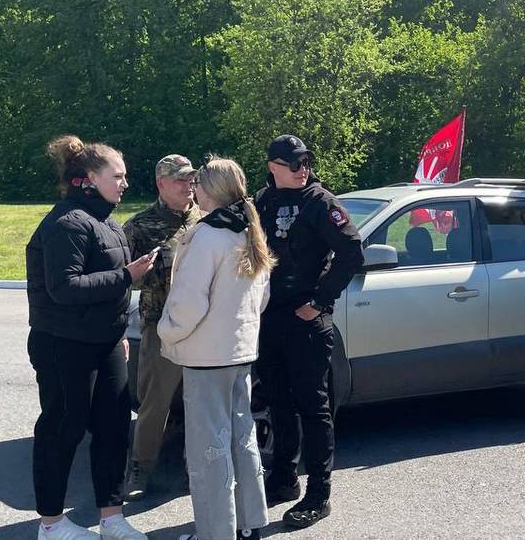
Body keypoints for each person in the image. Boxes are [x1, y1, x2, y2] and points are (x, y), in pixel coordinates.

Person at [25, 135, 154, 540]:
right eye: (117, 176)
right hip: (63, 343)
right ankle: (51, 524)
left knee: (113, 429)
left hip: (106, 342)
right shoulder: (67, 223)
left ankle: (112, 518)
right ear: (90, 178)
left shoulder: (107, 222)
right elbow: (64, 288)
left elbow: (108, 288)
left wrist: (119, 331)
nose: (125, 183)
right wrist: (127, 275)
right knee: (62, 430)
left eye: (125, 176)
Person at [157, 157, 274, 540]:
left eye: (198, 184)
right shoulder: (249, 230)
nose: (194, 190)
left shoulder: (208, 235)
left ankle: (215, 533)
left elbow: (189, 302)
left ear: (211, 190)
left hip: (207, 356)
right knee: (242, 439)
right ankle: (248, 524)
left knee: (208, 449)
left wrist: (167, 331)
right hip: (240, 352)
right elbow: (262, 297)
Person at [254, 135, 363, 529]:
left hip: (306, 321)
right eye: (294, 163)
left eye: (306, 162)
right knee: (278, 403)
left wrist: (320, 300)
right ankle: (283, 478)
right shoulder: (263, 201)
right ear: (274, 167)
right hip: (270, 318)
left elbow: (352, 252)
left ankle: (319, 493)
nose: (303, 169)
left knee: (313, 408)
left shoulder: (320, 202)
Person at [122, 154, 201, 500]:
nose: (188, 185)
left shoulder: (206, 219)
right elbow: (122, 278)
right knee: (155, 403)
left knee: (201, 402)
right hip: (162, 327)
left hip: (202, 328)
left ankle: (197, 467)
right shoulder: (140, 226)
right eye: (180, 179)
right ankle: (140, 467)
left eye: (191, 179)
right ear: (161, 184)